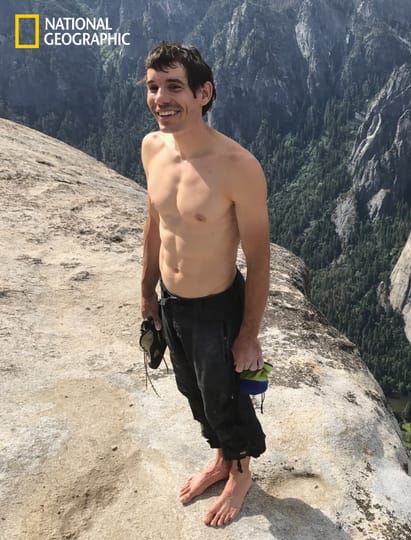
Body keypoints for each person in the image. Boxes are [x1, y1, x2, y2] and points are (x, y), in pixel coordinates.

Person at [139, 41, 270, 528]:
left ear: (204, 93)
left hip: (217, 306)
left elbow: (258, 258)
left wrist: (248, 333)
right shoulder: (152, 148)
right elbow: (155, 223)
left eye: (175, 87)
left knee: (226, 396)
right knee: (192, 389)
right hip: (173, 303)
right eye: (153, 87)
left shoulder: (237, 167)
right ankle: (220, 459)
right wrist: (147, 292)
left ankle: (240, 474)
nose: (161, 99)